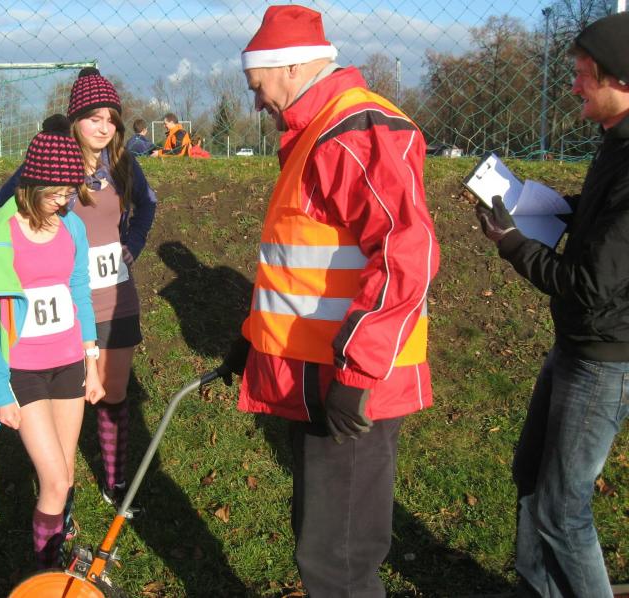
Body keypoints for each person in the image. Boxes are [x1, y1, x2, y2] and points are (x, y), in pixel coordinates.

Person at [216, 5, 439, 596]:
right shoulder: (318, 132)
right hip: (319, 374)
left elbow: (405, 254)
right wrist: (253, 337)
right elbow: (304, 263)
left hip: (349, 380)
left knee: (338, 560)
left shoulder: (353, 130)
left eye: (257, 86)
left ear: (291, 68)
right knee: (324, 545)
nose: (256, 103)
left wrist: (358, 372)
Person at [474, 12, 629, 597]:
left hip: (604, 359)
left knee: (563, 511)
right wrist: (548, 206)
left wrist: (512, 243)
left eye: (584, 75)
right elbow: (602, 218)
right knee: (533, 478)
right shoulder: (616, 143)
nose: (573, 86)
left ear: (621, 80)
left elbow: (589, 283)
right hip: (577, 344)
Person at [0, 68, 158, 521]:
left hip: (115, 295)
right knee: (68, 397)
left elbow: (148, 204)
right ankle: (60, 488)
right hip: (67, 306)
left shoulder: (124, 163)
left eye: (111, 120)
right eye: (94, 118)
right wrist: (23, 267)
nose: (104, 128)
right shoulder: (50, 162)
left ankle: (115, 481)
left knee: (113, 391)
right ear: (74, 118)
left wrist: (133, 244)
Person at [0, 114, 106, 569]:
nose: (64, 201)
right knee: (55, 479)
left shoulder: (71, 226)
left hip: (69, 364)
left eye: (69, 192)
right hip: (22, 370)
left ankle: (60, 540)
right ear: (31, 185)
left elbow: (80, 291)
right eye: (55, 193)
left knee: (65, 472)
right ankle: (46, 572)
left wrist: (92, 361)